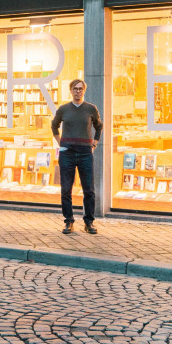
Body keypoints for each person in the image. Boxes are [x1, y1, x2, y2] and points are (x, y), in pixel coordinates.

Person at [51, 79, 103, 235]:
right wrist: (61, 143)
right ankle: (68, 222)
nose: (78, 91)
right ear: (71, 90)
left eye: (80, 89)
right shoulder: (63, 109)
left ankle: (89, 222)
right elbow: (54, 125)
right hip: (67, 154)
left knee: (89, 190)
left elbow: (98, 126)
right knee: (66, 189)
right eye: (75, 88)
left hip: (85, 153)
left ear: (84, 91)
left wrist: (94, 143)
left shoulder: (91, 109)